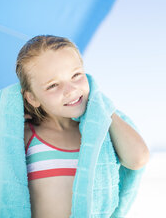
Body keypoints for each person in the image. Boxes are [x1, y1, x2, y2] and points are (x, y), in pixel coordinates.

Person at [15, 35, 150, 218]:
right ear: (32, 97)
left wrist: (103, 109)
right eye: (53, 85)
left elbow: (138, 159)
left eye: (76, 75)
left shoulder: (101, 130)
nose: (70, 90)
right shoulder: (26, 134)